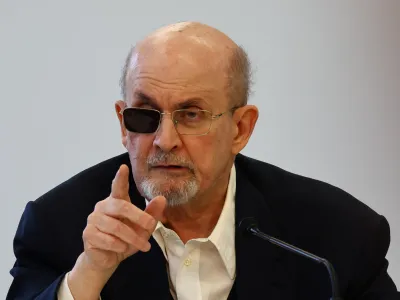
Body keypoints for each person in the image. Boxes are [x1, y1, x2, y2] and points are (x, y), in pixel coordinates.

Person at [7, 21, 399, 300]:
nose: (164, 140)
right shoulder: (58, 227)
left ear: (241, 129)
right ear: (123, 125)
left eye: (191, 114)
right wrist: (89, 274)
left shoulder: (337, 237)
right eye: (145, 115)